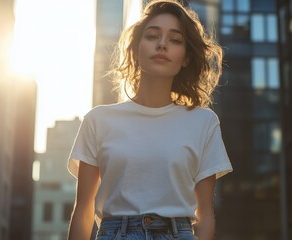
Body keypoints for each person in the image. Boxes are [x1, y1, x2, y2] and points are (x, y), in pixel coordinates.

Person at [67, 0, 232, 239]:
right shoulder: (98, 120)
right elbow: (83, 211)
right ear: (135, 49)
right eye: (153, 36)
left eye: (175, 40)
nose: (162, 44)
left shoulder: (203, 122)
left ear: (185, 57)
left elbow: (205, 215)